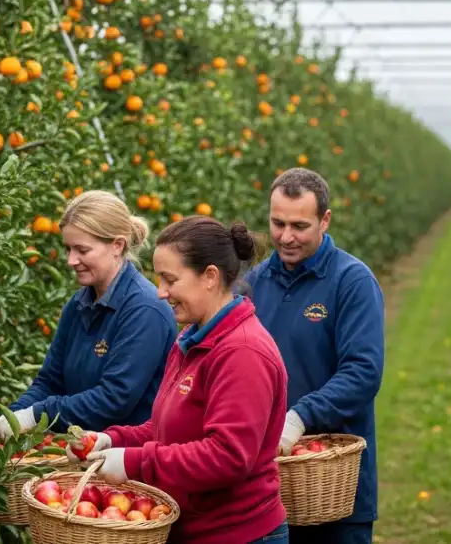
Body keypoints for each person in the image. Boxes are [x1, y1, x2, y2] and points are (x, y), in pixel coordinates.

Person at [71, 217, 290, 544]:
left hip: (238, 535)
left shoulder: (242, 352)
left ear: (210, 277)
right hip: (194, 529)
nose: (161, 293)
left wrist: (136, 462)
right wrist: (112, 440)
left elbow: (228, 456)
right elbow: (165, 428)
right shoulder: (191, 339)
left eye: (170, 280)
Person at [244, 168, 384, 544]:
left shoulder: (351, 282)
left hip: (332, 481)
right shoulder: (255, 283)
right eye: (277, 223)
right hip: (268, 482)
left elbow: (363, 372)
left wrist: (301, 416)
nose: (286, 237)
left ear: (325, 220)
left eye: (299, 226)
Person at [0, 190, 176, 439]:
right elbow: (50, 381)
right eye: (68, 249)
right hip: (81, 451)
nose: (71, 260)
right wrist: (11, 416)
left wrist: (35, 416)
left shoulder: (144, 310)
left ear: (117, 245)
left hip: (127, 460)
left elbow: (114, 399)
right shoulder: (78, 305)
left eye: (82, 250)